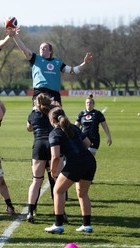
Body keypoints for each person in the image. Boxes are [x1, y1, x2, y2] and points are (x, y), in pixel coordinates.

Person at [44, 107, 96, 234]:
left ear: (51, 120)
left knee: (58, 190)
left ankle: (58, 225)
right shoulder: (74, 127)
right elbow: (88, 143)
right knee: (82, 193)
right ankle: (87, 225)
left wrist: (53, 171)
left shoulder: (54, 133)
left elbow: (55, 156)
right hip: (90, 161)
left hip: (76, 163)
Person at [10, 29, 92, 105]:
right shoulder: (35, 58)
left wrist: (85, 63)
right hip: (40, 93)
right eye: (41, 48)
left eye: (44, 48)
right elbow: (24, 49)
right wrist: (14, 36)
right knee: (37, 119)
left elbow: (73, 70)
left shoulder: (57, 62)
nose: (42, 49)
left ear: (50, 51)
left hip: (54, 94)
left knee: (57, 118)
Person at [26, 93, 61, 222]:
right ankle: (59, 212)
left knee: (36, 181)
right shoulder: (54, 112)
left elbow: (29, 128)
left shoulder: (33, 114)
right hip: (53, 144)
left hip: (39, 146)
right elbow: (63, 123)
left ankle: (30, 212)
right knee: (56, 181)